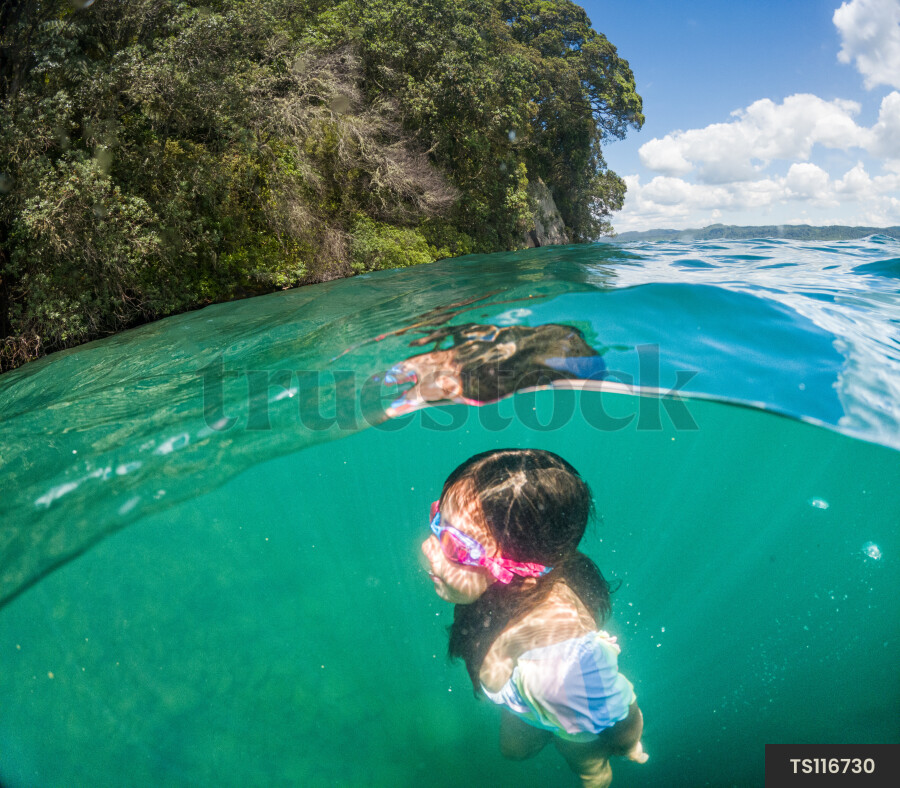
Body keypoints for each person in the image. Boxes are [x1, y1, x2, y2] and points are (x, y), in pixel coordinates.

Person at [421, 449, 647, 787]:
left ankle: (617, 756)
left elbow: (620, 709)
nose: (429, 548)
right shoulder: (507, 586)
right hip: (529, 695)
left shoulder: (560, 673)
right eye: (437, 518)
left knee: (588, 765)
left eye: (456, 546)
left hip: (567, 702)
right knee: (514, 752)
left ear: (520, 570)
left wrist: (626, 741)